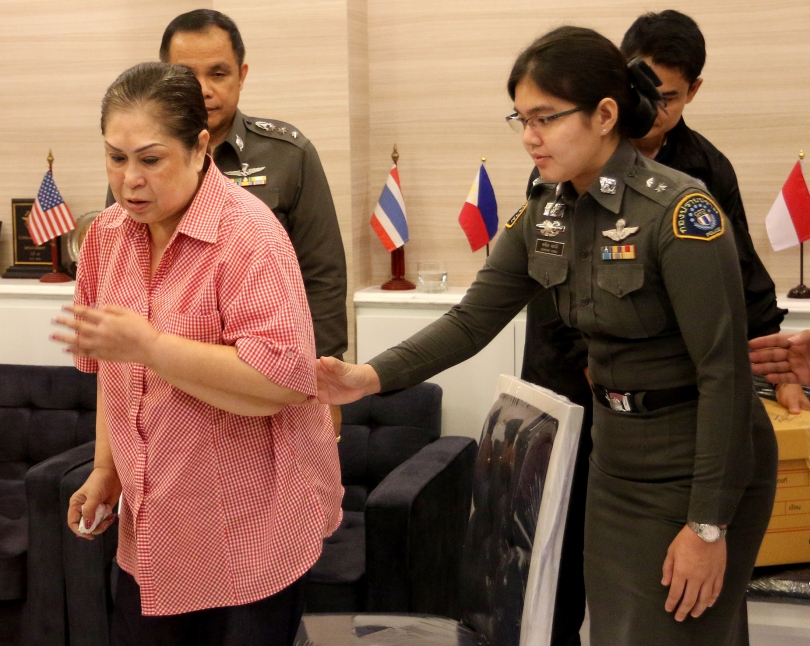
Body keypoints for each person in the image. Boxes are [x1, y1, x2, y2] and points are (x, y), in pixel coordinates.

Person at [314, 26, 778, 645]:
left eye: (546, 118)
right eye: (522, 119)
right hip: (616, 460)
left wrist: (708, 525)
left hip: (696, 461)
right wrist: (366, 377)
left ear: (605, 115)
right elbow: (471, 321)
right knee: (617, 632)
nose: (530, 136)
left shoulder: (678, 213)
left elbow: (726, 375)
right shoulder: (547, 212)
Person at [521, 12, 790, 643]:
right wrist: (370, 376)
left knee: (692, 609)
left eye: (667, 96)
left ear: (692, 91)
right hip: (585, 405)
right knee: (575, 586)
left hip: (677, 426)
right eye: (525, 120)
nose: (653, 107)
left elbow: (737, 301)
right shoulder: (556, 178)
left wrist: (778, 365)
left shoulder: (696, 181)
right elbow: (540, 291)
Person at [53, 62, 342, 645]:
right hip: (154, 528)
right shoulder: (107, 236)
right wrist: (107, 471)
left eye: (150, 159)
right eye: (115, 157)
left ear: (200, 147)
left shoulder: (249, 235)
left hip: (250, 529)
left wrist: (152, 347)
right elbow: (113, 374)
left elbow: (282, 383)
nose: (129, 180)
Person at [156, 9, 348, 437]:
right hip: (168, 384)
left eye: (218, 73)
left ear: (241, 76)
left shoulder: (288, 154)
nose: (203, 90)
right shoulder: (142, 161)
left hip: (270, 382)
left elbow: (323, 276)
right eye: (186, 75)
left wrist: (326, 386)